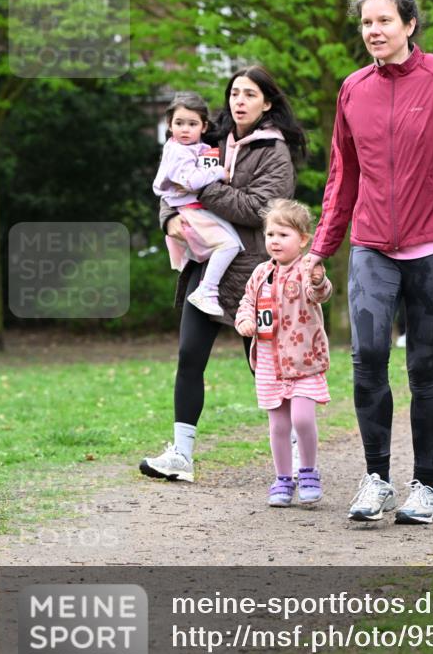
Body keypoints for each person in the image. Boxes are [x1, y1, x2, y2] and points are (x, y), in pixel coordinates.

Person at [307, 0, 433, 525]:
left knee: (424, 365)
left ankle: (426, 486)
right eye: (366, 22)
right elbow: (342, 176)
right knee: (367, 358)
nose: (374, 30)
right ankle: (375, 479)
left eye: (384, 21)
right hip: (372, 244)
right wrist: (321, 247)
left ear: (409, 24)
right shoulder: (352, 89)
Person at [140, 68, 306, 482]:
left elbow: (259, 209)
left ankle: (296, 456)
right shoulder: (210, 138)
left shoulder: (274, 152)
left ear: (267, 103)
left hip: (254, 274)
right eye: (234, 93)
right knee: (189, 357)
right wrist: (168, 222)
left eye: (250, 94)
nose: (240, 101)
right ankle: (181, 454)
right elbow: (171, 187)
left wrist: (201, 188)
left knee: (265, 367)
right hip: (206, 270)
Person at [235, 199, 332, 507]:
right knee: (278, 425)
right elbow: (246, 303)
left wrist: (319, 281)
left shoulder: (307, 269)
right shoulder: (261, 273)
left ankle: (308, 472)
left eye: (283, 235)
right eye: (270, 235)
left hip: (304, 360)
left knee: (302, 419)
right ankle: (282, 479)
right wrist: (245, 320)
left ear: (302, 239)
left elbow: (320, 293)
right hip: (268, 361)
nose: (274, 241)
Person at [153, 92, 243, 318]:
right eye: (179, 123)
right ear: (169, 124)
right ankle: (207, 290)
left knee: (226, 243)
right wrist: (219, 172)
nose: (185, 129)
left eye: (191, 124)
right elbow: (191, 181)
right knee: (230, 244)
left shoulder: (188, 147)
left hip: (191, 209)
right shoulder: (179, 151)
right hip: (190, 211)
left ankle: (206, 288)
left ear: (203, 127)